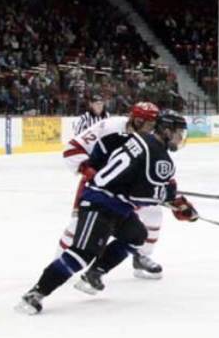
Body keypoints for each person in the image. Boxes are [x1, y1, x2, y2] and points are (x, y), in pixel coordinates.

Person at [17, 110, 195, 314]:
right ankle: (34, 294)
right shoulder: (161, 158)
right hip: (100, 203)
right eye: (178, 132)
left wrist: (98, 169)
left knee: (136, 236)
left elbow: (104, 148)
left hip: (114, 203)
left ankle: (95, 273)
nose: (181, 138)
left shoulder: (134, 137)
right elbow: (142, 196)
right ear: (165, 130)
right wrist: (176, 203)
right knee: (82, 253)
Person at [58, 102, 166, 279]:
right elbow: (73, 149)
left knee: (154, 213)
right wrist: (88, 170)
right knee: (78, 224)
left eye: (151, 124)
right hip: (99, 187)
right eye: (142, 121)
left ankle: (141, 256)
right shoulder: (110, 126)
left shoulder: (153, 139)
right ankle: (59, 263)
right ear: (133, 118)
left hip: (129, 189)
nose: (147, 127)